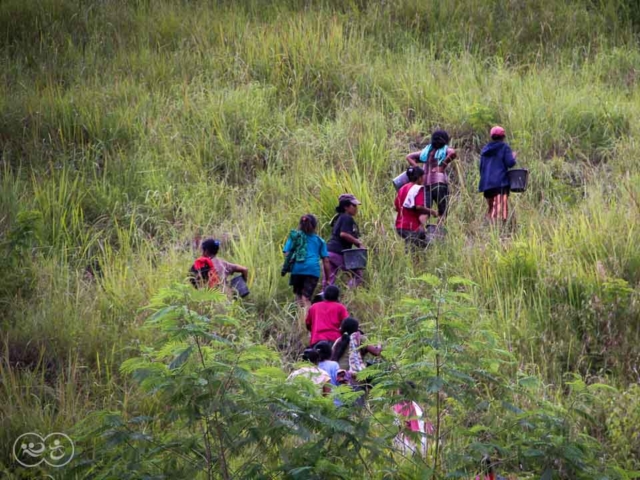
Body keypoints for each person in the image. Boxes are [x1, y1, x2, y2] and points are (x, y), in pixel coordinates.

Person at [406, 130, 457, 221]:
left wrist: (418, 168)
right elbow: (453, 152)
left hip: (425, 184)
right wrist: (442, 166)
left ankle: (419, 230)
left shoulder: (426, 152)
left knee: (425, 211)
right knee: (443, 210)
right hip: (439, 183)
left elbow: (409, 156)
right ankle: (439, 231)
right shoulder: (444, 150)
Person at [282, 214, 331, 309]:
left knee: (298, 297)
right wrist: (328, 278)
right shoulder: (319, 241)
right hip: (312, 270)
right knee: (306, 298)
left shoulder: (295, 237)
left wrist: (293, 260)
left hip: (297, 269)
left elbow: (286, 253)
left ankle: (300, 320)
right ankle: (308, 321)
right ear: (315, 226)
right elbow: (326, 261)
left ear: (300, 224)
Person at [326, 194, 365, 289]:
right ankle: (350, 294)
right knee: (357, 275)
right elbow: (343, 234)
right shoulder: (347, 218)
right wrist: (358, 243)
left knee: (329, 280)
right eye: (354, 205)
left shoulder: (339, 217)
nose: (356, 208)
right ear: (346, 207)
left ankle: (324, 299)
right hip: (338, 252)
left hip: (329, 251)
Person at [479, 126, 517, 224]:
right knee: (501, 212)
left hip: (486, 185)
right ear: (503, 137)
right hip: (500, 183)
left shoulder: (485, 150)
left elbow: (481, 168)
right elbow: (510, 163)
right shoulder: (504, 147)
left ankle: (487, 231)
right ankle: (498, 234)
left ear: (491, 136)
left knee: (491, 209)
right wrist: (513, 157)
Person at [394, 166, 438, 248]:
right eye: (423, 176)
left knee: (412, 246)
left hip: (399, 226)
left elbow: (396, 207)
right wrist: (432, 212)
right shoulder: (418, 188)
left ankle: (410, 258)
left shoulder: (402, 188)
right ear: (420, 178)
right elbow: (418, 207)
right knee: (422, 247)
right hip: (411, 226)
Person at [392, 381, 434, 458]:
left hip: (409, 446)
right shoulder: (418, 406)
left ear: (399, 391)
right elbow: (430, 428)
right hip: (425, 445)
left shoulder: (399, 406)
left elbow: (395, 428)